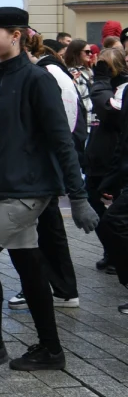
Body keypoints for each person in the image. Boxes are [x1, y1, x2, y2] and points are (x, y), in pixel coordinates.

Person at [0, 7, 98, 374]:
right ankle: (51, 350)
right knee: (29, 266)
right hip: (3, 186)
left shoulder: (37, 78)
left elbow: (61, 140)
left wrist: (78, 196)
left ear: (16, 36)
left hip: (28, 188)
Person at [0, 35, 82, 311]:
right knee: (43, 229)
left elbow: (62, 126)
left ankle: (53, 287)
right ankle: (55, 287)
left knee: (45, 229)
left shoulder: (43, 74)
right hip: (37, 164)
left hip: (39, 166)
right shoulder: (41, 72)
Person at [87, 47, 127, 273]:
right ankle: (111, 251)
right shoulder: (102, 86)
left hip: (114, 160)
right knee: (96, 206)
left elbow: (109, 111)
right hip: (97, 157)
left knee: (114, 214)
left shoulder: (121, 88)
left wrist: (101, 82)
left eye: (105, 65)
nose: (100, 69)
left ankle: (118, 254)